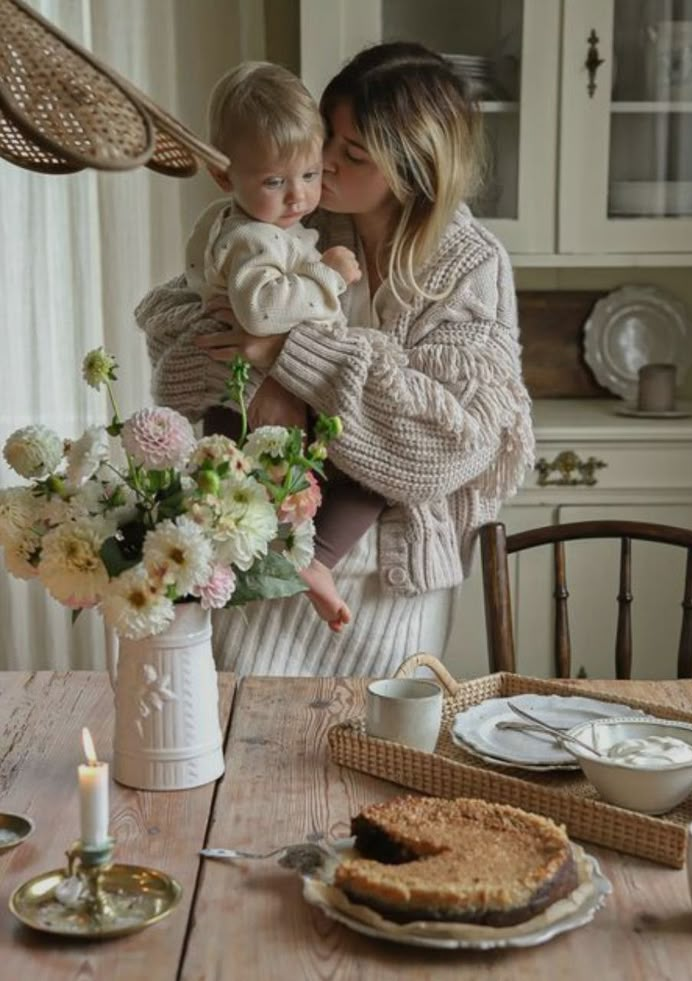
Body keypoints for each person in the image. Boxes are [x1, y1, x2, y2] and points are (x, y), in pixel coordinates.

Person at [136, 41, 535, 678]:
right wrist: (276, 367)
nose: (321, 166)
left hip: (384, 586)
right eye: (328, 141)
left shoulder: (469, 264)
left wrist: (286, 351)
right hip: (256, 552)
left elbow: (439, 449)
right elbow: (174, 351)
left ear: (414, 167)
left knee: (373, 767)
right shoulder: (288, 214)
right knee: (245, 758)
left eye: (350, 155)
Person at [185, 61, 386, 632]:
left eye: (309, 174)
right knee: (368, 476)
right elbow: (261, 310)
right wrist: (329, 277)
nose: (299, 195)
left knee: (263, 497)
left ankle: (297, 556)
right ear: (225, 177)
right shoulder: (252, 238)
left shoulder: (237, 221)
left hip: (245, 395)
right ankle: (314, 561)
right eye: (276, 181)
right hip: (258, 396)